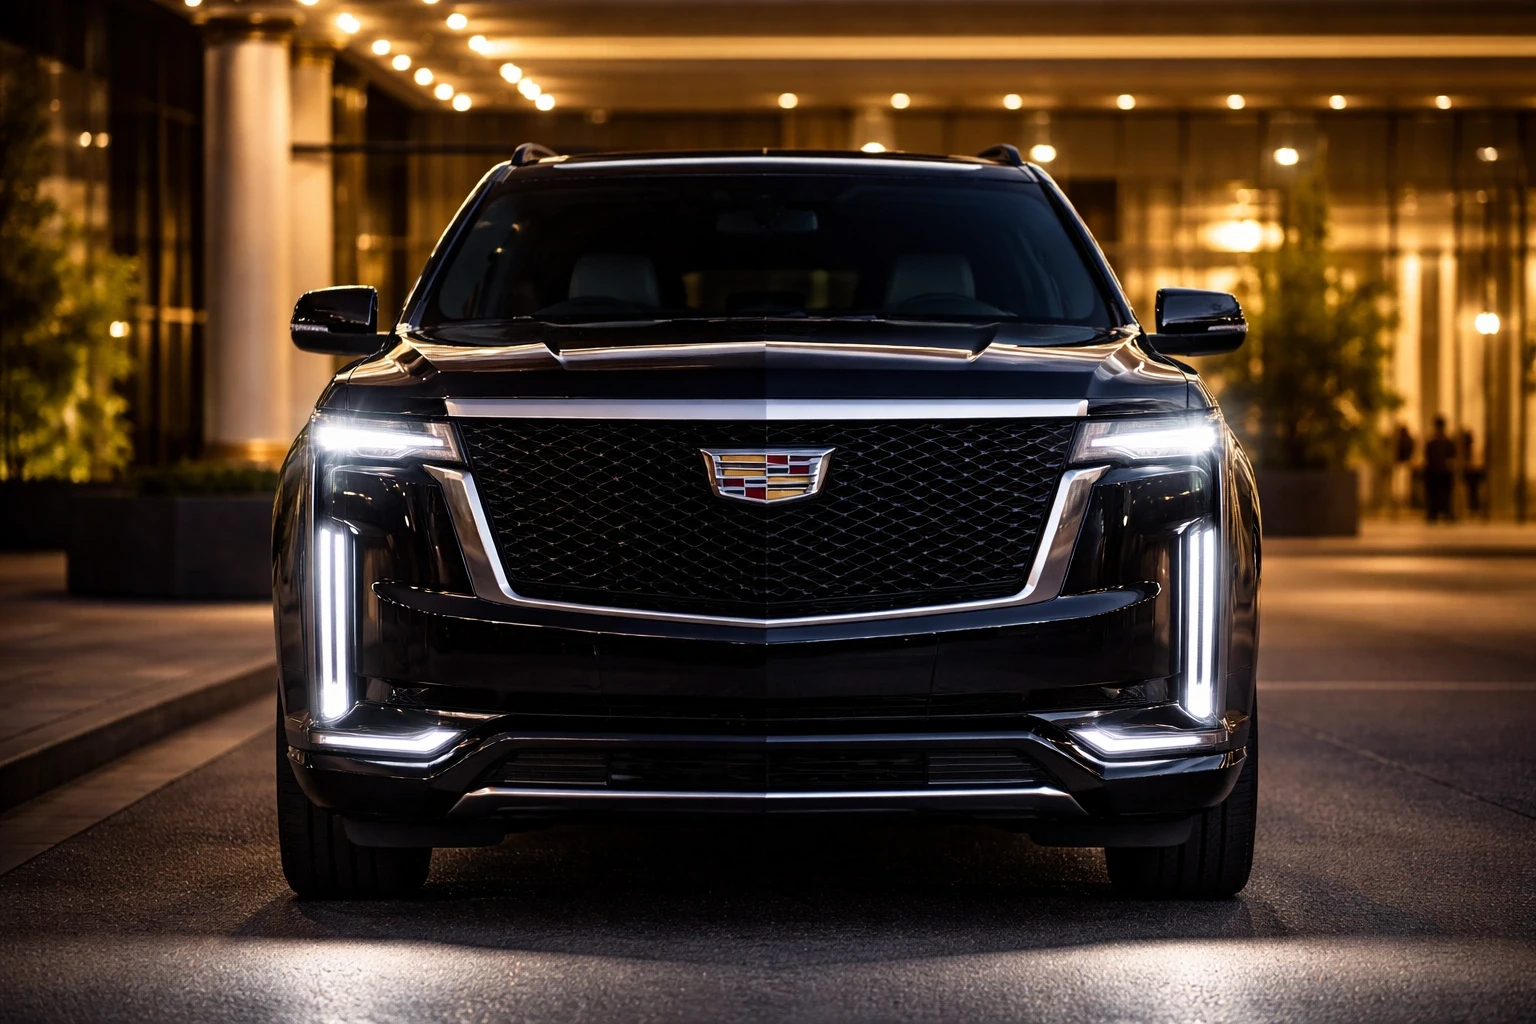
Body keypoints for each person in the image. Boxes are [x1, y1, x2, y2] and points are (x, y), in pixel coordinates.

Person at [1424, 416, 1457, 523]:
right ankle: (1444, 513)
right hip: (1443, 471)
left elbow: (1427, 456)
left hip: (1435, 471)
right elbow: (1452, 457)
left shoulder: (1432, 442)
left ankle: (1434, 514)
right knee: (1444, 494)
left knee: (1435, 493)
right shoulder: (1447, 442)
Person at [1460, 428, 1486, 517]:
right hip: (1473, 471)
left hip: (1474, 471)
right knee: (1472, 491)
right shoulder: (1468, 448)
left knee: (1473, 491)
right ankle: (1473, 507)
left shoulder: (1471, 448)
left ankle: (1474, 507)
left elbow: (1478, 460)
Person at [1391, 422, 1415, 517]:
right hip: (1406, 463)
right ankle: (1404, 501)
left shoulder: (1400, 440)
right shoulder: (1409, 439)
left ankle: (1401, 501)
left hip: (1401, 463)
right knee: (1405, 485)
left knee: (1400, 485)